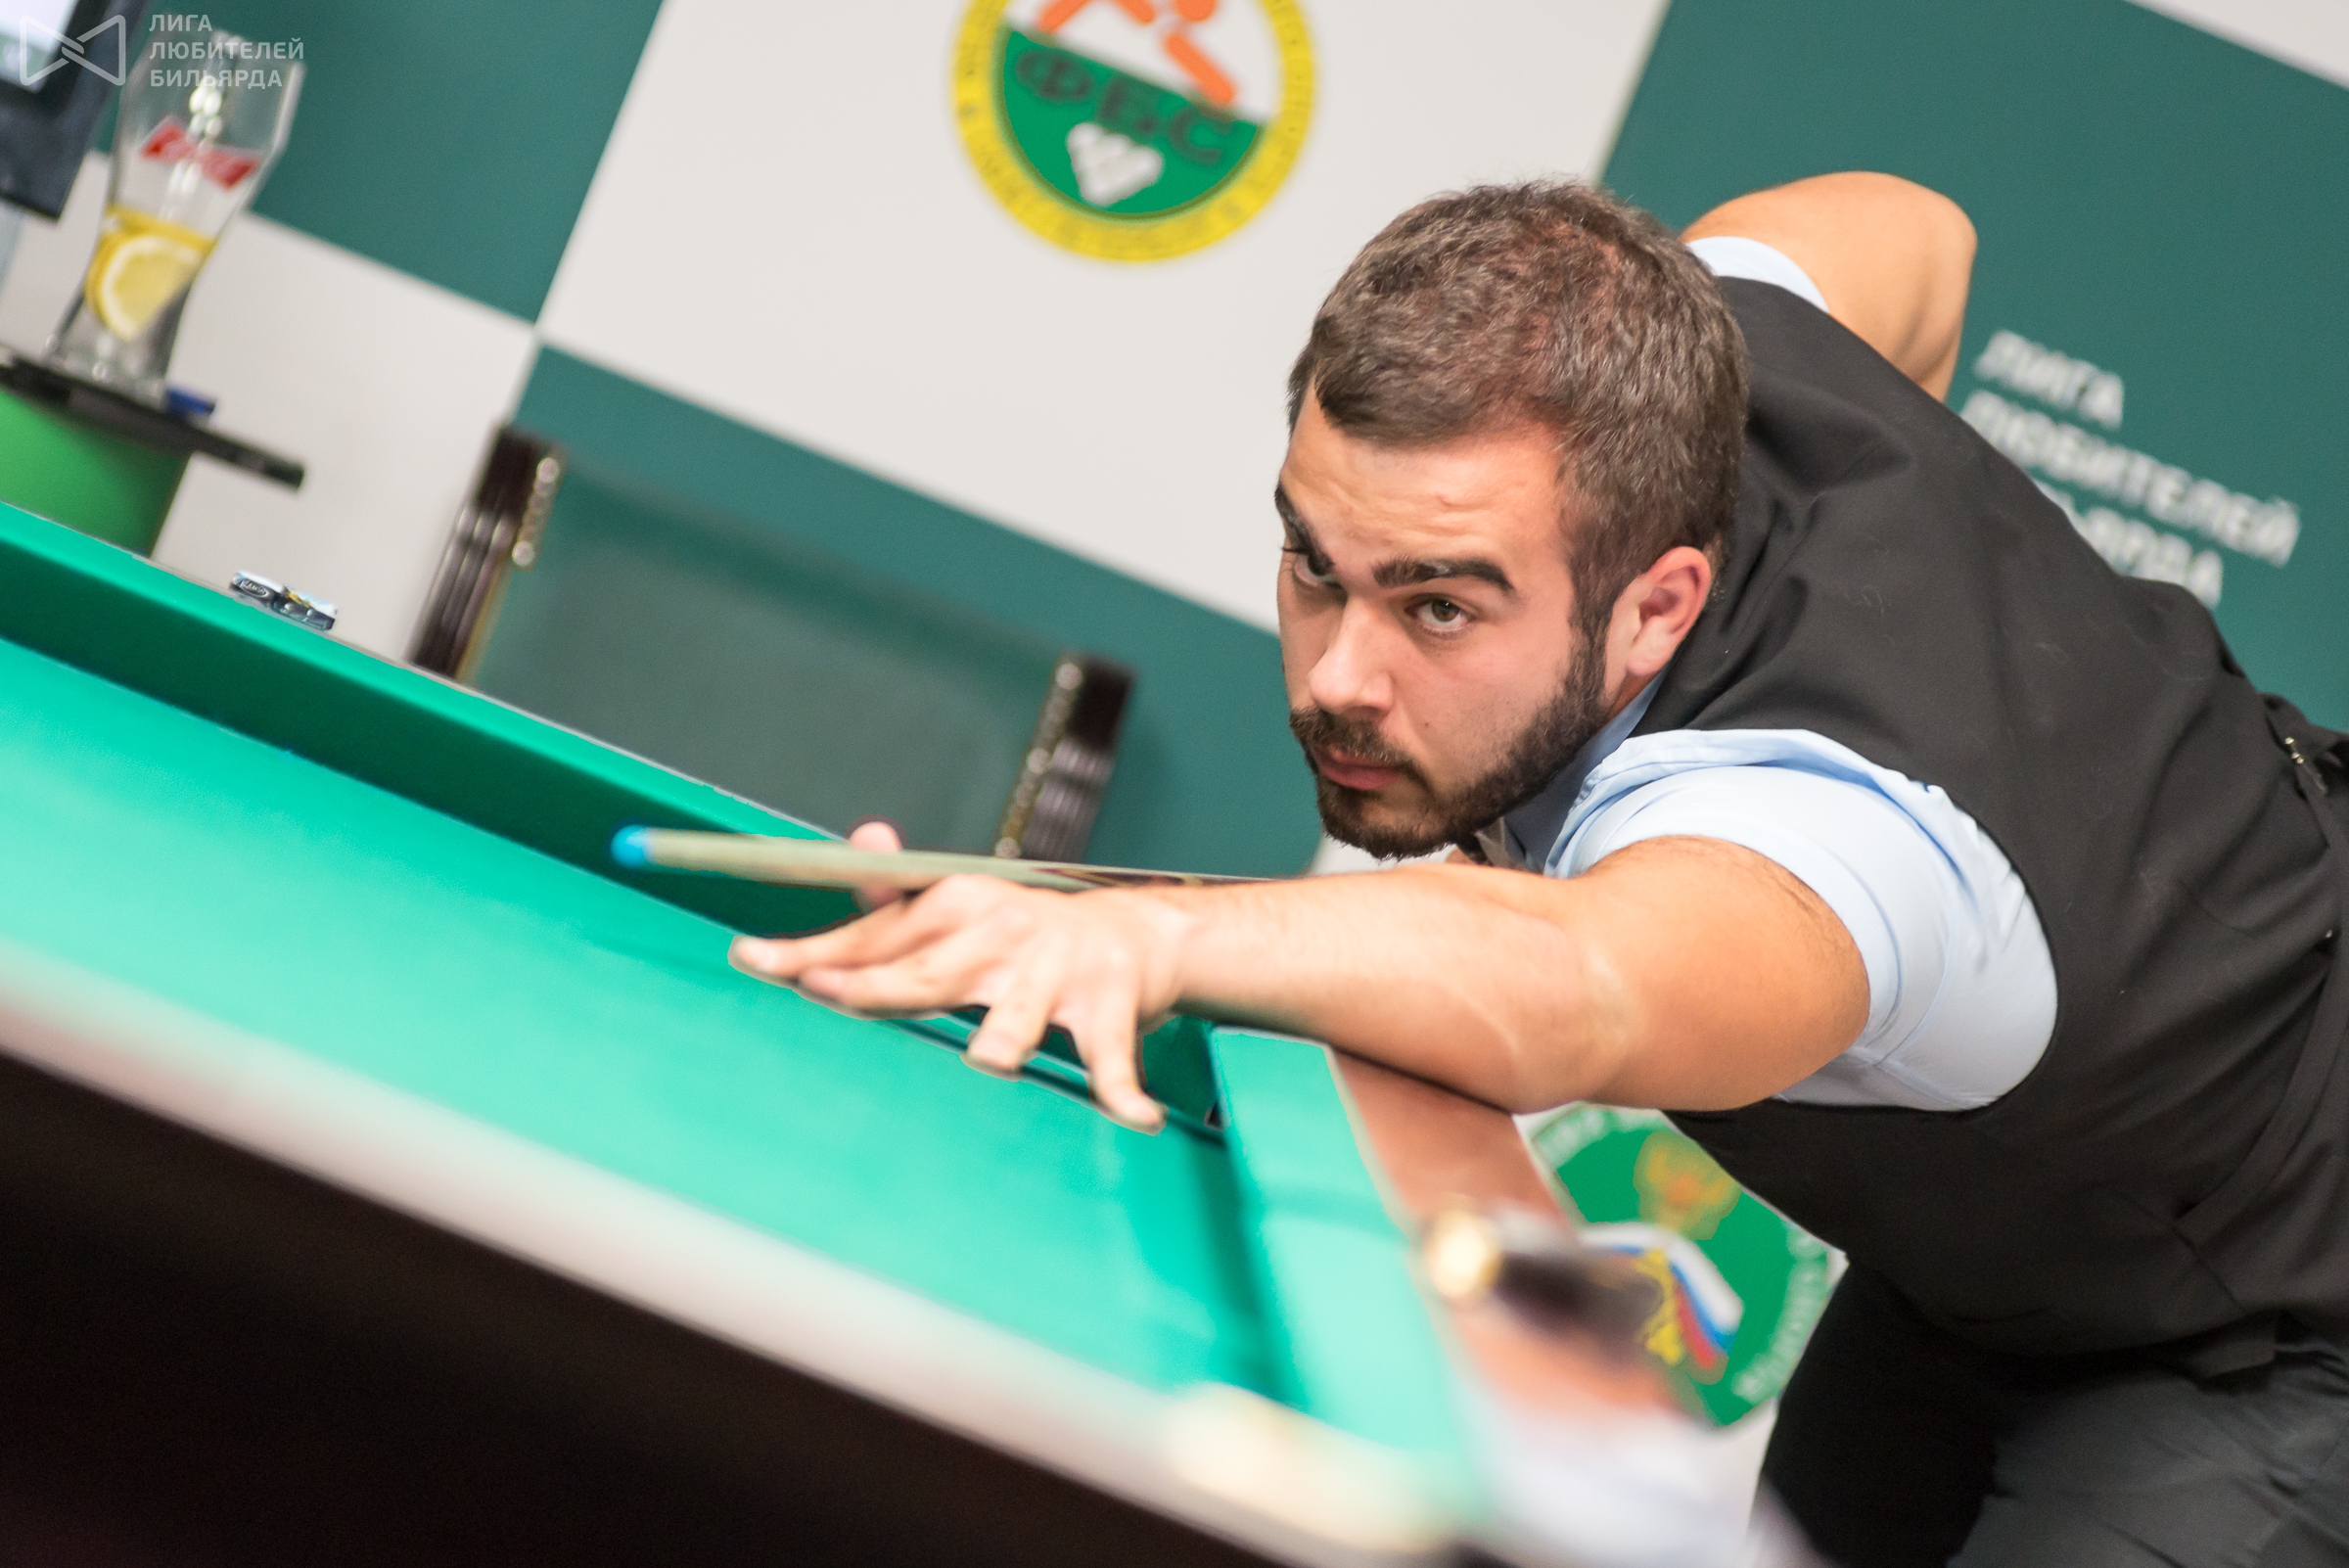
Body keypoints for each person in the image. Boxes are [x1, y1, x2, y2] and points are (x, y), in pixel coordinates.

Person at [730, 173, 2349, 1564]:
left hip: (2286, 1322)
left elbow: (1578, 980)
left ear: (1658, 607)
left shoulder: (1837, 831)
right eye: (1316, 565)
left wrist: (1151, 936)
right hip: (2010, 1246)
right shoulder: (1705, 350)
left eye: (1439, 605)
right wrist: (1917, 527)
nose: (1339, 677)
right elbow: (1920, 232)